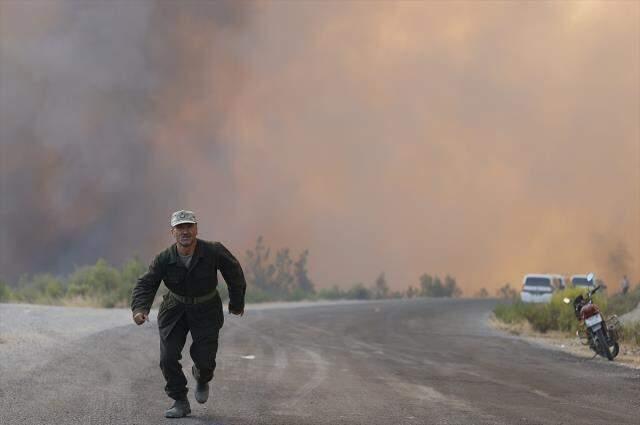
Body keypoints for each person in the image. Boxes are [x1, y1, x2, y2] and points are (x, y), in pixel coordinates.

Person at [131, 210, 246, 418]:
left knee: (205, 360)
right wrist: (140, 309)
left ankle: (202, 377)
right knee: (167, 358)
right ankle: (180, 400)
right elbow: (146, 283)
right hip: (175, 308)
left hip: (206, 308)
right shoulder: (164, 258)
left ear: (196, 229)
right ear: (172, 232)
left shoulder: (213, 251)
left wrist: (236, 303)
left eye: (189, 226)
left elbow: (234, 272)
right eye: (180, 227)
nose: (185, 231)